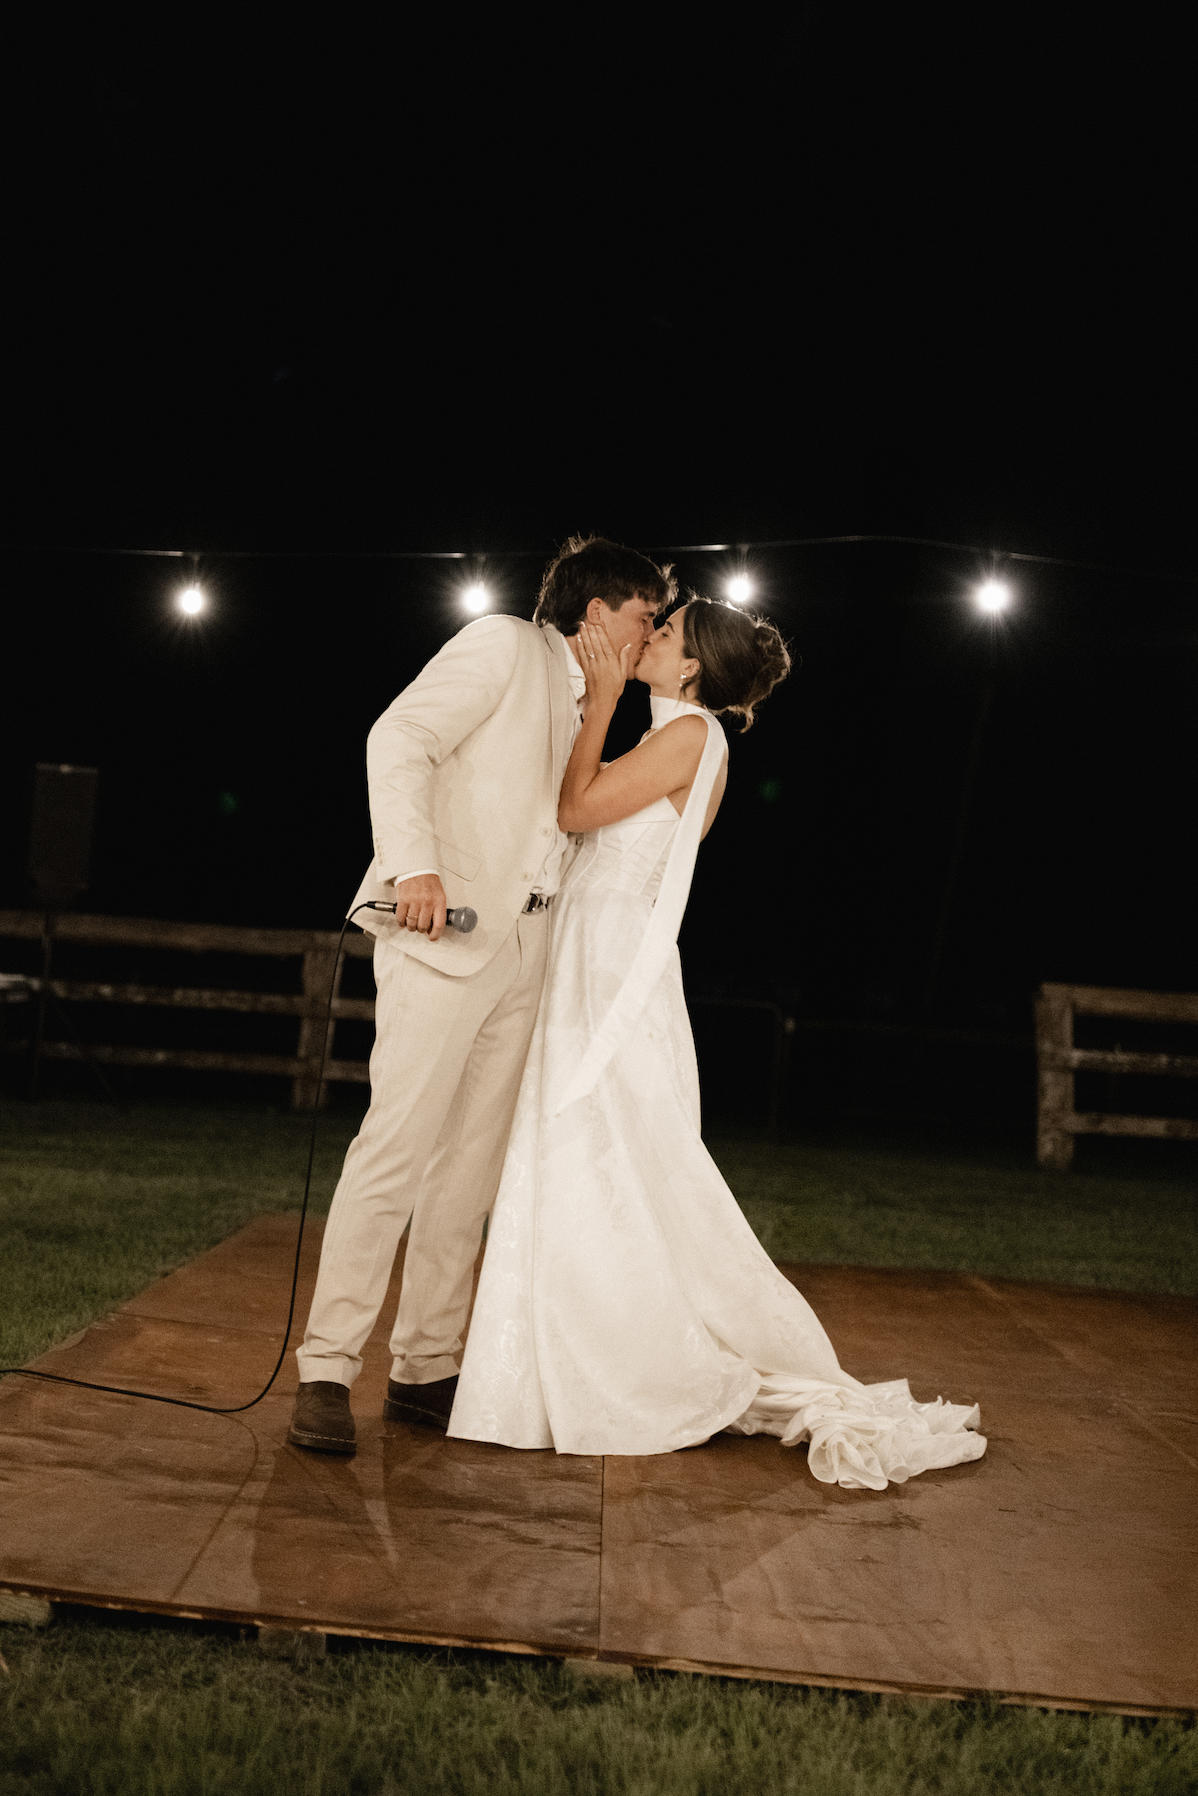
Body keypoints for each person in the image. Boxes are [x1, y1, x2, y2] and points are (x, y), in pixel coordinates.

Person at [448, 598, 987, 1490]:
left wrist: (604, 701)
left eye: (665, 634)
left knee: (599, 1144)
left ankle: (615, 1361)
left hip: (610, 966)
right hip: (598, 952)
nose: (649, 636)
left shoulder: (690, 735)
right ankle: (552, 1356)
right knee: (598, 1150)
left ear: (691, 667)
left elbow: (576, 806)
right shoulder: (688, 736)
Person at [288, 537, 673, 1454]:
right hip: (440, 928)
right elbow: (400, 736)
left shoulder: (595, 702)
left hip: (525, 955)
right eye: (643, 616)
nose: (651, 631)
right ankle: (326, 1371)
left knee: (469, 1171)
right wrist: (414, 866)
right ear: (595, 613)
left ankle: (423, 1369)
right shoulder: (503, 644)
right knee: (395, 1148)